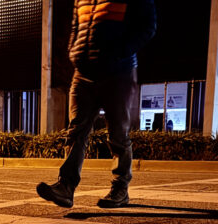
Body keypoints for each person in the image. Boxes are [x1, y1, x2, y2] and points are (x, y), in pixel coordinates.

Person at [37, 0, 157, 208]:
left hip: (118, 72)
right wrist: (73, 51)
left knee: (118, 134)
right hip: (83, 74)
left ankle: (120, 189)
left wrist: (120, 51)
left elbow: (148, 26)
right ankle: (66, 187)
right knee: (76, 131)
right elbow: (76, 26)